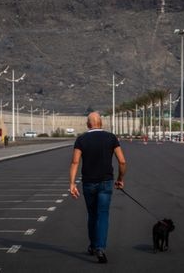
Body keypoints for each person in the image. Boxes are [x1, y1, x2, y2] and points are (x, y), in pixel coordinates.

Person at [69, 112, 127, 264]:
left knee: (92, 214)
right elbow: (122, 161)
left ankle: (93, 245)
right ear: (101, 123)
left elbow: (75, 162)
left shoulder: (81, 139)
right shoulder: (111, 138)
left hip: (88, 183)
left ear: (88, 125)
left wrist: (72, 183)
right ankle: (100, 247)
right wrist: (120, 179)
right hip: (106, 182)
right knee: (103, 214)